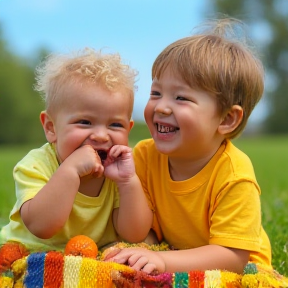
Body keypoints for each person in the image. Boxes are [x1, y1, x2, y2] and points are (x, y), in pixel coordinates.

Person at [104, 18, 272, 274]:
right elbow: (144, 230)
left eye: (181, 97)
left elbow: (231, 257)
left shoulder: (234, 174)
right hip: (176, 257)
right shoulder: (145, 156)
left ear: (226, 119)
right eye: (156, 93)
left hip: (238, 271)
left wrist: (163, 261)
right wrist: (142, 252)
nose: (161, 107)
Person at [0, 48, 152, 252]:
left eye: (115, 125)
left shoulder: (119, 174)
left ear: (129, 129)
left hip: (86, 259)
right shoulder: (37, 165)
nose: (100, 135)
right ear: (51, 128)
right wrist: (70, 170)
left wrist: (127, 181)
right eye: (85, 122)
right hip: (30, 253)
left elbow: (134, 234)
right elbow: (41, 226)